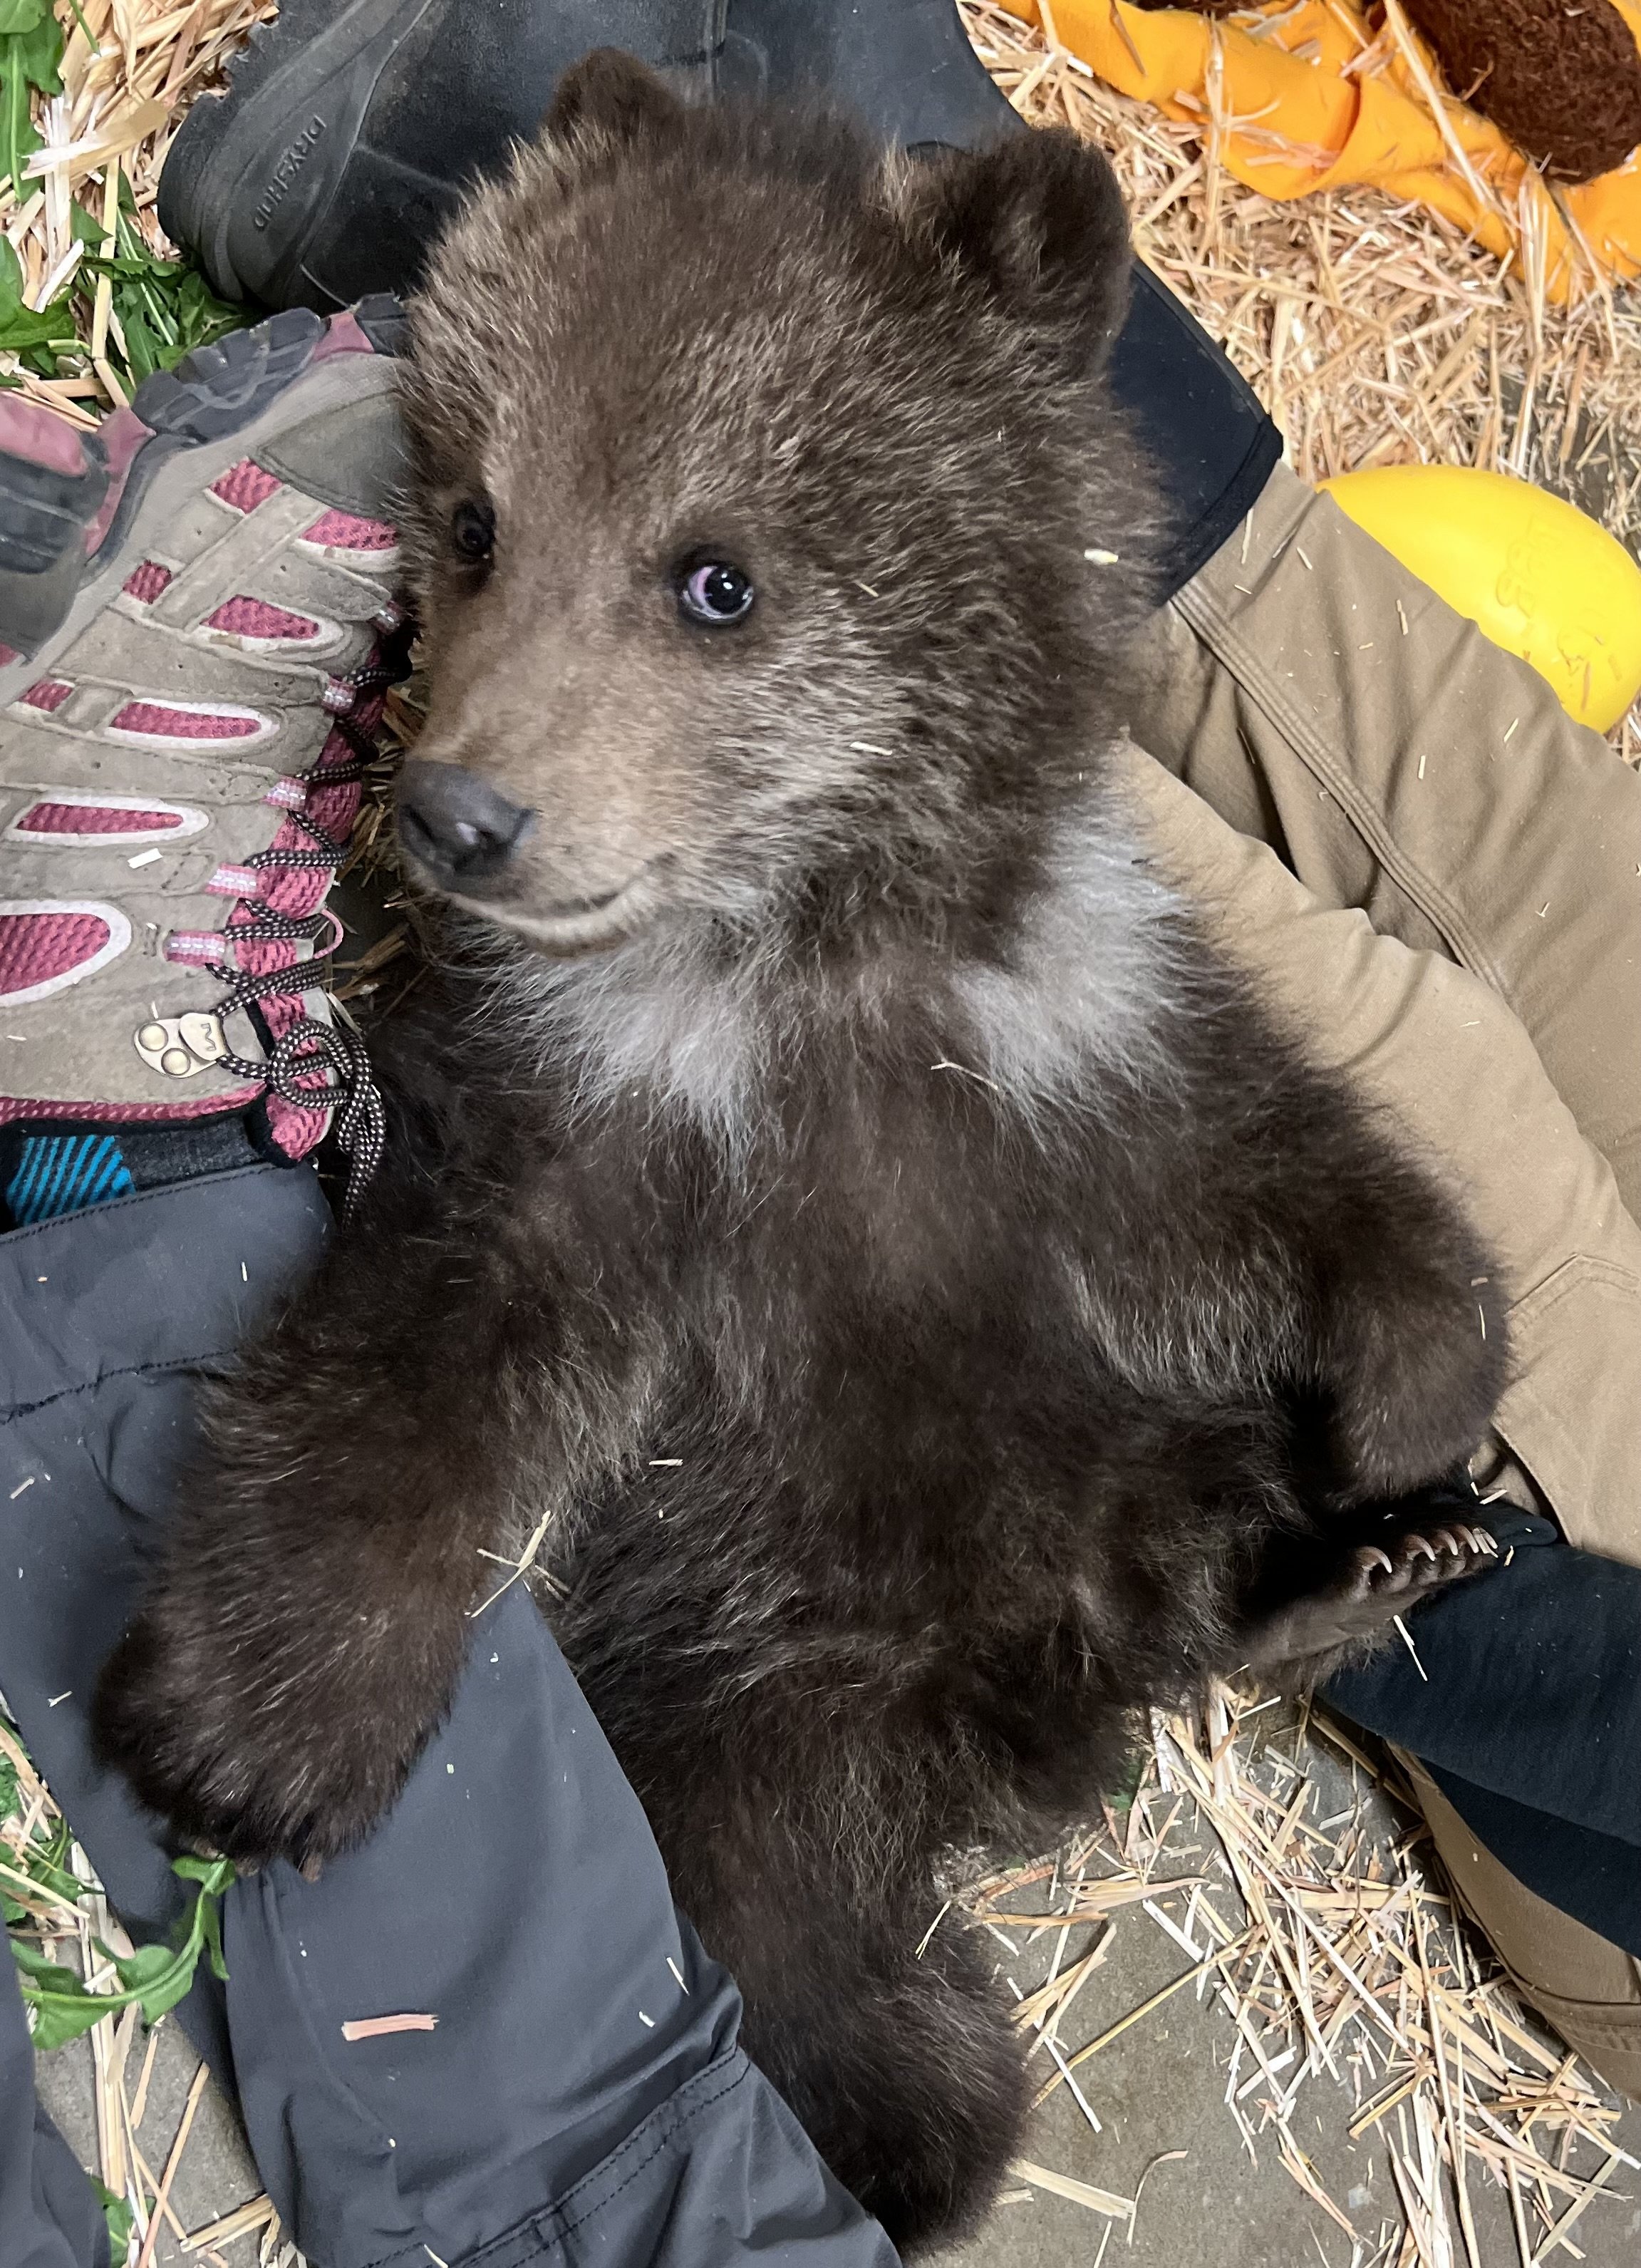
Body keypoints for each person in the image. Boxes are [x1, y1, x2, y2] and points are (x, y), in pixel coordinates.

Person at [1, 6, 1638, 2264]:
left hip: (958, 1640)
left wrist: (1388, 1350)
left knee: (1416, 1144)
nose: (466, 739)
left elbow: (1217, 1185)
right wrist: (356, 1557)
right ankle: (764, 180)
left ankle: (124, 1168)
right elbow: (526, 1273)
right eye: (470, 548)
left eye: (709, 597)